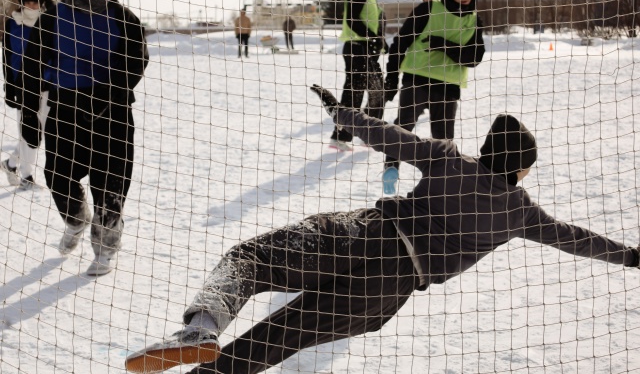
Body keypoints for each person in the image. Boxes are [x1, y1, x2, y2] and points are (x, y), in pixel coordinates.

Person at [124, 84, 640, 374]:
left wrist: (342, 113)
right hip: (388, 289)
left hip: (364, 234)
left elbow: (387, 134)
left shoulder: (448, 158)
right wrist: (634, 256)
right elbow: (578, 240)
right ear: (520, 168)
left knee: (250, 259)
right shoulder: (521, 212)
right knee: (273, 342)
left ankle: (202, 327)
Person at [21, 0, 149, 276]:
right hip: (66, 106)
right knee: (58, 176)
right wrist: (28, 111)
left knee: (111, 183)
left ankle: (105, 248)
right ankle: (76, 220)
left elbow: (137, 59)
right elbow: (33, 64)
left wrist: (112, 91)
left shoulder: (123, 17)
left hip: (112, 110)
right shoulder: (53, 17)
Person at [382, 0, 485, 195]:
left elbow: (474, 58)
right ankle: (391, 167)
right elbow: (400, 42)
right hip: (417, 79)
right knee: (404, 126)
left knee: (444, 141)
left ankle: (439, 184)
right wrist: (392, 78)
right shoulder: (428, 9)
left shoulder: (474, 21)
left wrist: (444, 45)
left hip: (448, 87)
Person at [329, 0, 387, 151]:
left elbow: (372, 20)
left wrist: (380, 40)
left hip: (365, 47)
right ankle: (344, 136)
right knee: (359, 92)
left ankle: (361, 134)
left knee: (371, 91)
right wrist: (373, 37)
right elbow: (353, 20)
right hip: (357, 47)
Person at [1, 0, 52, 189]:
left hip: (47, 83)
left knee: (40, 132)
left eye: (36, 1)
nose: (33, 5)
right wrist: (10, 87)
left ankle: (11, 164)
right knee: (28, 130)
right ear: (22, 2)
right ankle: (26, 177)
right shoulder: (12, 24)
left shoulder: (48, 21)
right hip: (23, 85)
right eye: (29, 2)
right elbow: (7, 57)